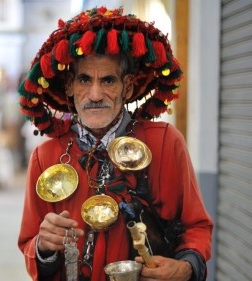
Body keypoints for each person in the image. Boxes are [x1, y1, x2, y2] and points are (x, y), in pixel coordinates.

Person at [17, 6, 213, 281]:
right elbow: (29, 246)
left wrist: (184, 268)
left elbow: (197, 227)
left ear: (128, 87)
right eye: (85, 80)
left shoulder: (166, 142)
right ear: (70, 86)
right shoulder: (45, 156)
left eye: (108, 80)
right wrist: (43, 246)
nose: (95, 94)